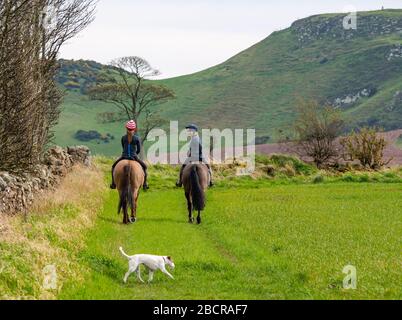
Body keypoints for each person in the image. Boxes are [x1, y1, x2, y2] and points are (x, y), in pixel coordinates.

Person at [110, 120, 149, 190]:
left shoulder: (123, 138)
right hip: (134, 157)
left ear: (126, 128)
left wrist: (125, 154)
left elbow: (123, 147)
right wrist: (135, 154)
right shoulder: (137, 138)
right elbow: (139, 150)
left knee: (113, 167)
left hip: (124, 156)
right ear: (134, 129)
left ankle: (113, 183)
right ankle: (145, 184)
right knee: (145, 167)